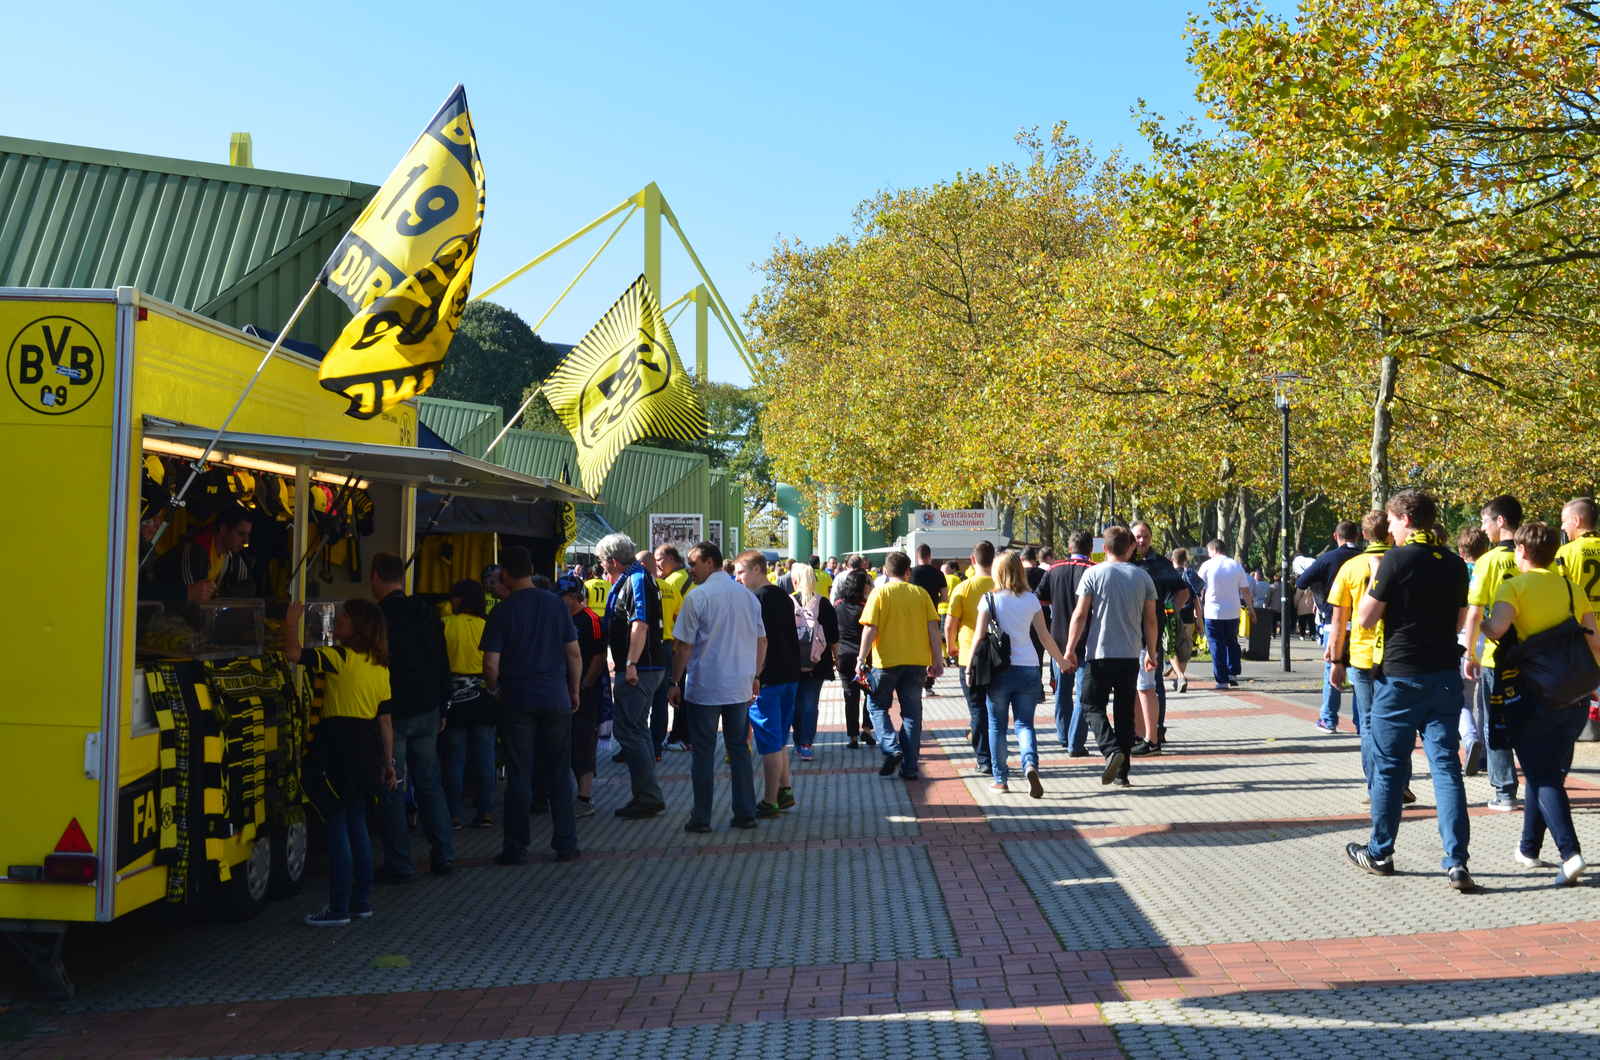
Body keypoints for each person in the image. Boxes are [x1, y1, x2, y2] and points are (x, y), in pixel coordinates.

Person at [1349, 489, 1474, 891]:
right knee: (1446, 769)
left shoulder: (1395, 559)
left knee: (1388, 767)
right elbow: (1458, 620)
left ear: (1404, 518)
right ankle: (1456, 861)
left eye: (1391, 520)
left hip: (1400, 677)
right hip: (1442, 676)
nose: (1388, 527)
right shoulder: (1454, 563)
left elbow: (1367, 618)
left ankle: (1380, 852)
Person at [1482, 521, 1600, 885]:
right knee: (1545, 770)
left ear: (1520, 551)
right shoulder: (1570, 587)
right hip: (1573, 694)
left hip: (1532, 694)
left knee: (1542, 775)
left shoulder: (1512, 586)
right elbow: (1595, 640)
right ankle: (1529, 848)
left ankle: (1570, 854)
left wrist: (1481, 623)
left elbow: (1498, 630)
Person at [285, 599, 393, 927]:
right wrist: (389, 763)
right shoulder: (380, 666)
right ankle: (361, 901)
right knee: (358, 824)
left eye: (343, 618)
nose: (337, 624)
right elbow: (385, 721)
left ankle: (338, 908)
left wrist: (290, 622)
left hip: (338, 747)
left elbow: (293, 654)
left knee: (336, 825)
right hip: (369, 747)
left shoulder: (338, 657)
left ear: (357, 625)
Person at [481, 547, 581, 865]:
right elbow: (574, 653)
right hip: (555, 697)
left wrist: (495, 689)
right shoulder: (556, 605)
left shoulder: (502, 611)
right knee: (559, 771)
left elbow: (490, 664)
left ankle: (515, 846)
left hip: (517, 698)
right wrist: (573, 690)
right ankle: (566, 844)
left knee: (519, 773)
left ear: (506, 576)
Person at [370, 552, 454, 882]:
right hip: (428, 709)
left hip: (394, 711)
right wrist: (444, 703)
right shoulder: (427, 611)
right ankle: (444, 853)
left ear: (376, 576)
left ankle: (399, 862)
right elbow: (441, 659)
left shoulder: (378, 617)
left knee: (393, 783)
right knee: (430, 783)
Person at [670, 541, 765, 832]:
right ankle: (745, 813)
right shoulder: (748, 597)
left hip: (706, 687)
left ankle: (701, 818)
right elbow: (762, 641)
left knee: (703, 752)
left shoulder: (698, 597)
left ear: (710, 563)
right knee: (739, 750)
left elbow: (683, 646)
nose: (690, 569)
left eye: (694, 563)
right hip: (738, 685)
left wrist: (675, 681)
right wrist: (755, 675)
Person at [1326, 511, 1416, 801]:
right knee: (1400, 722)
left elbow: (1339, 621)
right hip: (1398, 654)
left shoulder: (1351, 568)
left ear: (1364, 536)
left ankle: (1377, 787)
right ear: (1390, 533)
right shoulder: (1406, 562)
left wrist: (1337, 660)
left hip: (1363, 657)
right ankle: (1400, 783)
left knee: (1368, 723)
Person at [1062, 526, 1157, 787]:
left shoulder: (1093, 573)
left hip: (1099, 653)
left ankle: (1110, 749)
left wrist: (1070, 649)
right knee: (1125, 713)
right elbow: (1150, 619)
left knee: (1091, 704)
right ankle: (1122, 772)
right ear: (1131, 548)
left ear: (1104, 548)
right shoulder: (1142, 577)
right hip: (1129, 655)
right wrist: (1152, 651)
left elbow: (1080, 615)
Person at [975, 550, 1070, 796]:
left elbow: (979, 636)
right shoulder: (1030, 599)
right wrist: (1060, 660)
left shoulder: (989, 599)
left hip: (998, 670)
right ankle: (1029, 763)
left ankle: (1000, 779)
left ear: (997, 572)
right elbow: (1044, 636)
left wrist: (969, 668)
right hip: (1029, 667)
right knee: (1025, 724)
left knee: (996, 725)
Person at [598, 533, 669, 819]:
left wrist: (630, 664)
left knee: (628, 729)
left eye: (603, 562)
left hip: (641, 669)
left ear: (613, 561)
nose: (602, 567)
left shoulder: (636, 580)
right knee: (635, 729)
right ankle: (647, 795)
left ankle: (648, 796)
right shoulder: (635, 577)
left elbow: (640, 624)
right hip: (644, 667)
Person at [1462, 495, 1525, 812]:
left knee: (1495, 723)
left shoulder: (1487, 561)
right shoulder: (1539, 556)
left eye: (1486, 520)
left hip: (1496, 656)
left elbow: (1474, 613)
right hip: (1531, 653)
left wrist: (1469, 654)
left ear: (1501, 521)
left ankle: (1504, 790)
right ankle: (1543, 781)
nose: (1483, 528)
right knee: (1529, 720)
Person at [858, 550, 944, 780]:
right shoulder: (921, 594)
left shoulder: (879, 593)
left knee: (876, 706)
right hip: (917, 662)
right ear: (908, 572)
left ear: (886, 571)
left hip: (885, 662)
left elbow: (870, 628)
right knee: (912, 714)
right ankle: (910, 767)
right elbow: (933, 630)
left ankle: (890, 746)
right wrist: (938, 659)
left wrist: (860, 658)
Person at [735, 550, 800, 816]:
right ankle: (784, 790)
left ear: (757, 570)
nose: (737, 578)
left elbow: (758, 641)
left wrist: (755, 675)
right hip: (790, 674)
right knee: (779, 737)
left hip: (766, 679)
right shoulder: (782, 596)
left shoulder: (755, 599)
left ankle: (769, 799)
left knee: (769, 741)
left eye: (741, 572)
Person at [441, 580, 497, 830]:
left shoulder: (445, 624)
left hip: (454, 699)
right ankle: (485, 812)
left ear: (460, 599)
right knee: (485, 758)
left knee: (454, 760)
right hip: (484, 697)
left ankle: (453, 815)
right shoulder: (487, 626)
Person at [1129, 521, 1190, 753]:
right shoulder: (1125, 560)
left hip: (1151, 631)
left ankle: (1155, 731)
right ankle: (1138, 732)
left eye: (1145, 536)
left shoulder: (1161, 563)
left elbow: (1182, 590)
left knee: (1153, 684)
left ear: (1151, 538)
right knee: (1135, 685)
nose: (1141, 541)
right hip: (1128, 632)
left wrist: (1170, 611)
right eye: (1137, 537)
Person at [1298, 522, 1363, 733]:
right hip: (1364, 622)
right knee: (1360, 676)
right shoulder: (1366, 558)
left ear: (1336, 536)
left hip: (1333, 621)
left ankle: (1328, 718)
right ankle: (1362, 722)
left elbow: (1301, 581)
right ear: (1359, 536)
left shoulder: (1328, 559)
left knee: (1332, 671)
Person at [1036, 532, 1095, 756]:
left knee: (1062, 690)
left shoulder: (1054, 570)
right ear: (1090, 548)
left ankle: (1062, 734)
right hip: (1087, 639)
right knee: (1083, 693)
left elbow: (1040, 599)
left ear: (1069, 547)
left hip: (1058, 640)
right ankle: (1075, 742)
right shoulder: (1093, 569)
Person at [947, 541, 998, 774]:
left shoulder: (963, 588)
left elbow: (951, 622)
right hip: (999, 656)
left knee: (977, 708)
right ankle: (998, 755)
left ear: (973, 560)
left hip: (970, 655)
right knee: (996, 707)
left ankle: (984, 758)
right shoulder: (1001, 585)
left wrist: (951, 646)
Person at [556, 575, 605, 817]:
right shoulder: (557, 618)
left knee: (584, 743)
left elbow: (598, 656)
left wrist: (585, 684)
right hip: (559, 690)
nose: (561, 601)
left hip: (585, 692)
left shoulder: (591, 620)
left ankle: (584, 797)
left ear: (575, 597)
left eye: (564, 597)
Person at [789, 563, 839, 761]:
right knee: (810, 703)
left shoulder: (788, 602)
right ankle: (806, 743)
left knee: (794, 703)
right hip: (818, 662)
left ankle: (797, 739)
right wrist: (836, 657)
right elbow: (833, 636)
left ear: (796, 581)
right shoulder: (824, 604)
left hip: (791, 662)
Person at [1455, 526, 1491, 774]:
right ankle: (1487, 752)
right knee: (1486, 702)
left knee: (1463, 700)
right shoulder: (1490, 568)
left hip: (1463, 637)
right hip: (1489, 637)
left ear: (1460, 550)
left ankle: (1469, 739)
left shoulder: (1456, 572)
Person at [1196, 540, 1253, 690]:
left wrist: (1198, 608)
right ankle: (1233, 672)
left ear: (1213, 549)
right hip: (1233, 611)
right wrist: (1251, 609)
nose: (1208, 554)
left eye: (1209, 551)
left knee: (1216, 644)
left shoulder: (1207, 565)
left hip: (1213, 611)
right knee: (1232, 642)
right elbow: (1245, 590)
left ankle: (1221, 680)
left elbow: (1198, 588)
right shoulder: (1235, 565)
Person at [170, 503, 255, 598]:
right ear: (223, 529)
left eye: (248, 535)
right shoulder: (196, 550)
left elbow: (248, 586)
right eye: (241, 534)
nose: (246, 541)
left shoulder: (231, 553)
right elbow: (194, 598)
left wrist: (220, 593)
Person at [654, 544, 691, 755]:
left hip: (679, 645)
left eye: (660, 558)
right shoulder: (683, 576)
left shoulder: (672, 581)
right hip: (692, 643)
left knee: (675, 690)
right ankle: (684, 736)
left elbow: (673, 615)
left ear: (671, 558)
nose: (657, 564)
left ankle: (679, 736)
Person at [834, 569, 874, 748]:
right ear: (861, 586)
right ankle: (866, 729)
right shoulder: (866, 607)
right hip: (863, 658)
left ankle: (852, 737)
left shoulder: (838, 606)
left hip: (843, 657)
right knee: (870, 693)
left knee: (850, 696)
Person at [908, 544, 948, 695]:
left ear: (917, 556)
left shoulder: (911, 573)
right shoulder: (938, 574)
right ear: (930, 556)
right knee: (933, 647)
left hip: (914, 616)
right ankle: (929, 685)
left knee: (916, 646)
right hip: (933, 615)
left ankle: (916, 679)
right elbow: (944, 598)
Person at [1166, 548, 1200, 693]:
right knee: (1185, 649)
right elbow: (1197, 600)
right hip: (1188, 617)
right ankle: (1180, 676)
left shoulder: (1167, 575)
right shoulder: (1190, 575)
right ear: (1185, 559)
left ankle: (1179, 676)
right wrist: (1199, 621)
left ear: (1172, 559)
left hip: (1171, 615)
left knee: (1171, 647)